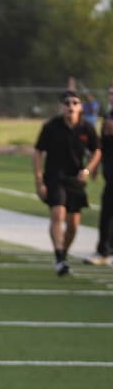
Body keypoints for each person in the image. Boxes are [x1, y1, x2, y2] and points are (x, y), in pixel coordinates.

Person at [33, 90, 103, 275]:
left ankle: (63, 253)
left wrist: (87, 170)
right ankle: (59, 256)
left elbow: (97, 151)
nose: (70, 106)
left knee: (73, 225)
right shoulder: (51, 126)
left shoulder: (86, 128)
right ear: (61, 106)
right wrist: (39, 180)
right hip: (54, 177)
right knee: (58, 213)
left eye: (74, 103)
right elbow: (38, 152)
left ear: (80, 107)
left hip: (75, 180)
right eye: (67, 103)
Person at [85, 84, 113, 266]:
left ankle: (104, 249)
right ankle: (103, 250)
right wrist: (94, 166)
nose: (111, 96)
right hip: (110, 173)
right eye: (110, 93)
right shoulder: (108, 116)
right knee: (107, 212)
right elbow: (102, 145)